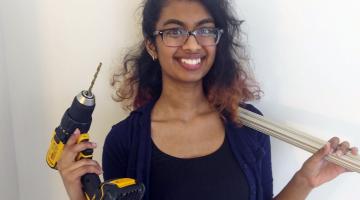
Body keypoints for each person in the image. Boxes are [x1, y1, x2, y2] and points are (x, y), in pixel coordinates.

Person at [57, 0, 358, 200]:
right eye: (174, 31)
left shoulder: (248, 126)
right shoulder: (125, 140)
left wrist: (305, 180)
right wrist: (76, 192)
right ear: (151, 45)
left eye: (204, 30)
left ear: (217, 40)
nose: (192, 44)